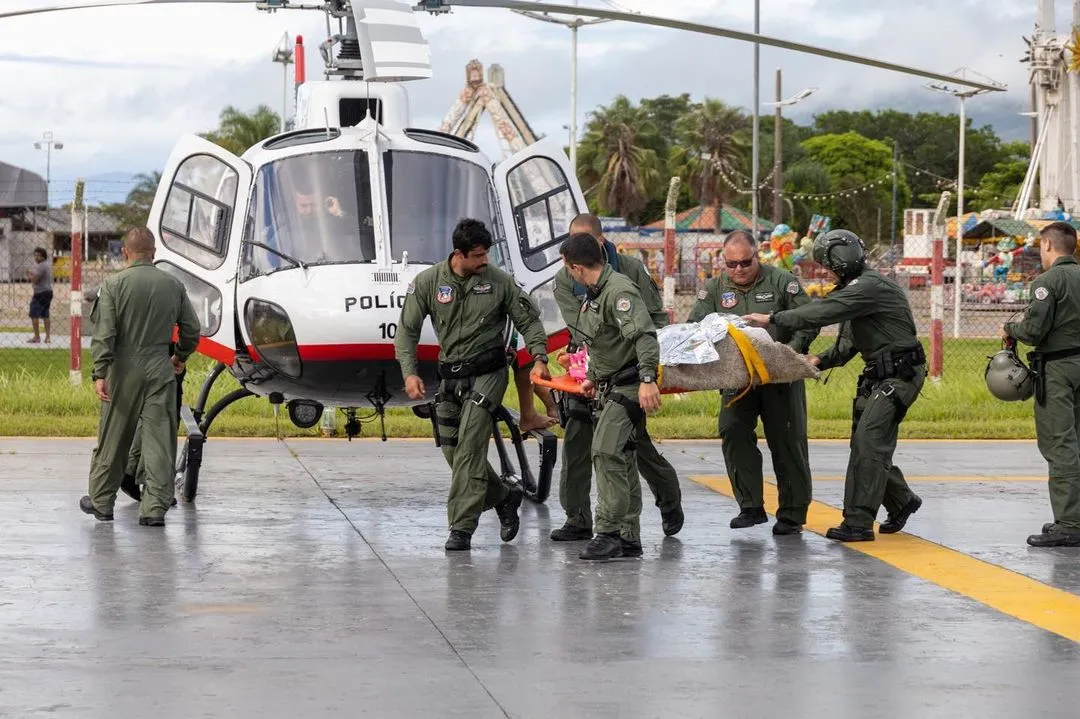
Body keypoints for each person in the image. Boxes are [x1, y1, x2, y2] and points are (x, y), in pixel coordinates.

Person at [743, 228, 925, 542]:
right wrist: (820, 360)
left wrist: (773, 318)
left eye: (827, 265)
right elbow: (849, 342)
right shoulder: (858, 290)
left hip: (899, 374)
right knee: (866, 445)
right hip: (879, 374)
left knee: (869, 444)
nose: (824, 272)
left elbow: (822, 312)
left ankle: (858, 523)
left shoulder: (867, 288)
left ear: (840, 259)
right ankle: (901, 499)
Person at [395, 218, 553, 551]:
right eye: (478, 256)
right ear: (459, 254)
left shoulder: (500, 283)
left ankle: (461, 528)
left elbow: (529, 322)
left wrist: (540, 357)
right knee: (454, 452)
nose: (485, 262)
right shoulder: (428, 282)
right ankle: (502, 497)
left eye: (487, 254)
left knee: (469, 449)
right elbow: (407, 330)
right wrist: (409, 372)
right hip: (449, 377)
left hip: (489, 374)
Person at [549, 213, 683, 542]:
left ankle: (667, 501)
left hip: (627, 372)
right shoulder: (565, 278)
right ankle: (578, 518)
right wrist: (585, 365)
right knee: (579, 443)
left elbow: (652, 321)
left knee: (632, 448)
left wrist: (645, 371)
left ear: (600, 241)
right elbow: (579, 327)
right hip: (588, 367)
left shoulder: (629, 272)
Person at [687, 230, 818, 535]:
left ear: (757, 256)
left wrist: (793, 350)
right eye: (731, 264)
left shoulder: (782, 281)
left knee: (788, 441)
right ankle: (751, 506)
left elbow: (809, 317)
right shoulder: (715, 288)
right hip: (737, 377)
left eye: (745, 262)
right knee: (732, 429)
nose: (739, 270)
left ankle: (792, 514)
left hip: (779, 375)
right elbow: (695, 326)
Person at [80, 227, 201, 526]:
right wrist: (179, 357)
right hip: (160, 365)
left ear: (125, 253)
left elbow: (104, 333)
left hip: (122, 368)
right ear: (154, 253)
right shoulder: (173, 285)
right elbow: (192, 329)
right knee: (159, 437)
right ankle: (155, 508)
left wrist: (100, 372)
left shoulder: (113, 284)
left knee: (114, 435)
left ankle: (102, 502)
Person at [1002, 221, 1080, 547]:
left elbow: (1033, 331)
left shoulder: (1047, 282)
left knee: (1060, 445)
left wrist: (1010, 327)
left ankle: (1070, 524)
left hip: (1059, 369)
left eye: (1039, 246)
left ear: (1048, 245)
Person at [26, 247, 53, 344]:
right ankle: (48, 337)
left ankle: (37, 337)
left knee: (34, 314)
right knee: (45, 314)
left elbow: (36, 280)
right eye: (35, 255)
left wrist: (29, 275)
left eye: (39, 256)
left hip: (40, 293)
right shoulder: (45, 265)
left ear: (43, 257)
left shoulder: (42, 266)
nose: (36, 257)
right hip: (47, 292)